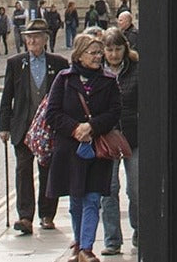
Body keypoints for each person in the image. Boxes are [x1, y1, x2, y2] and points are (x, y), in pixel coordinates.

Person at [45, 31, 122, 262]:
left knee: (92, 198)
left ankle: (87, 247)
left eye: (100, 52)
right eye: (93, 53)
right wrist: (75, 128)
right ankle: (79, 244)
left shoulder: (109, 81)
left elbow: (115, 113)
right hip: (70, 150)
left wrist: (91, 127)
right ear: (79, 56)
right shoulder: (64, 79)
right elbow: (52, 113)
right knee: (76, 199)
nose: (99, 57)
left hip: (97, 148)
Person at [0, 17, 68, 236]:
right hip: (22, 126)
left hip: (49, 128)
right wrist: (3, 126)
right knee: (22, 170)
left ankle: (47, 215)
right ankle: (25, 216)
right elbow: (6, 96)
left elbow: (66, 96)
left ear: (45, 39)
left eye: (36, 37)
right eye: (28, 38)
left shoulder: (58, 64)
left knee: (48, 170)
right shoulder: (15, 63)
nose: (32, 41)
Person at [98, 28, 139, 256]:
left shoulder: (137, 70)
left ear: (125, 48)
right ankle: (112, 240)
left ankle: (140, 231)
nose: (113, 54)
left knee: (136, 189)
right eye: (109, 49)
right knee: (109, 190)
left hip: (133, 137)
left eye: (117, 49)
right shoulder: (97, 73)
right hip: (107, 138)